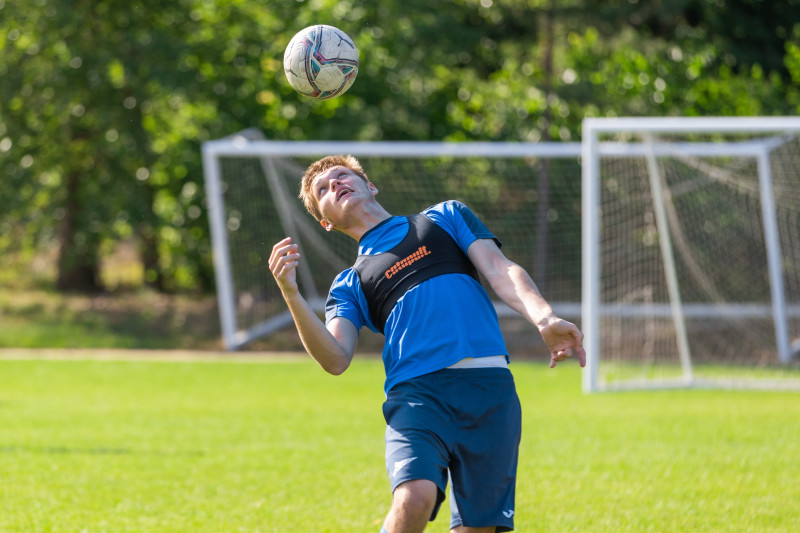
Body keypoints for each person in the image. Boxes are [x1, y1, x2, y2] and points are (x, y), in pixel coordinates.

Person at [269, 155, 585, 533]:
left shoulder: (445, 218)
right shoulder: (348, 283)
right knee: (414, 497)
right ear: (326, 222)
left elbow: (500, 269)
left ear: (370, 186)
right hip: (419, 394)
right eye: (323, 189)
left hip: (490, 390)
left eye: (342, 175)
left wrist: (544, 318)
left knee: (476, 527)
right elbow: (335, 358)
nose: (334, 184)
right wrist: (291, 294)